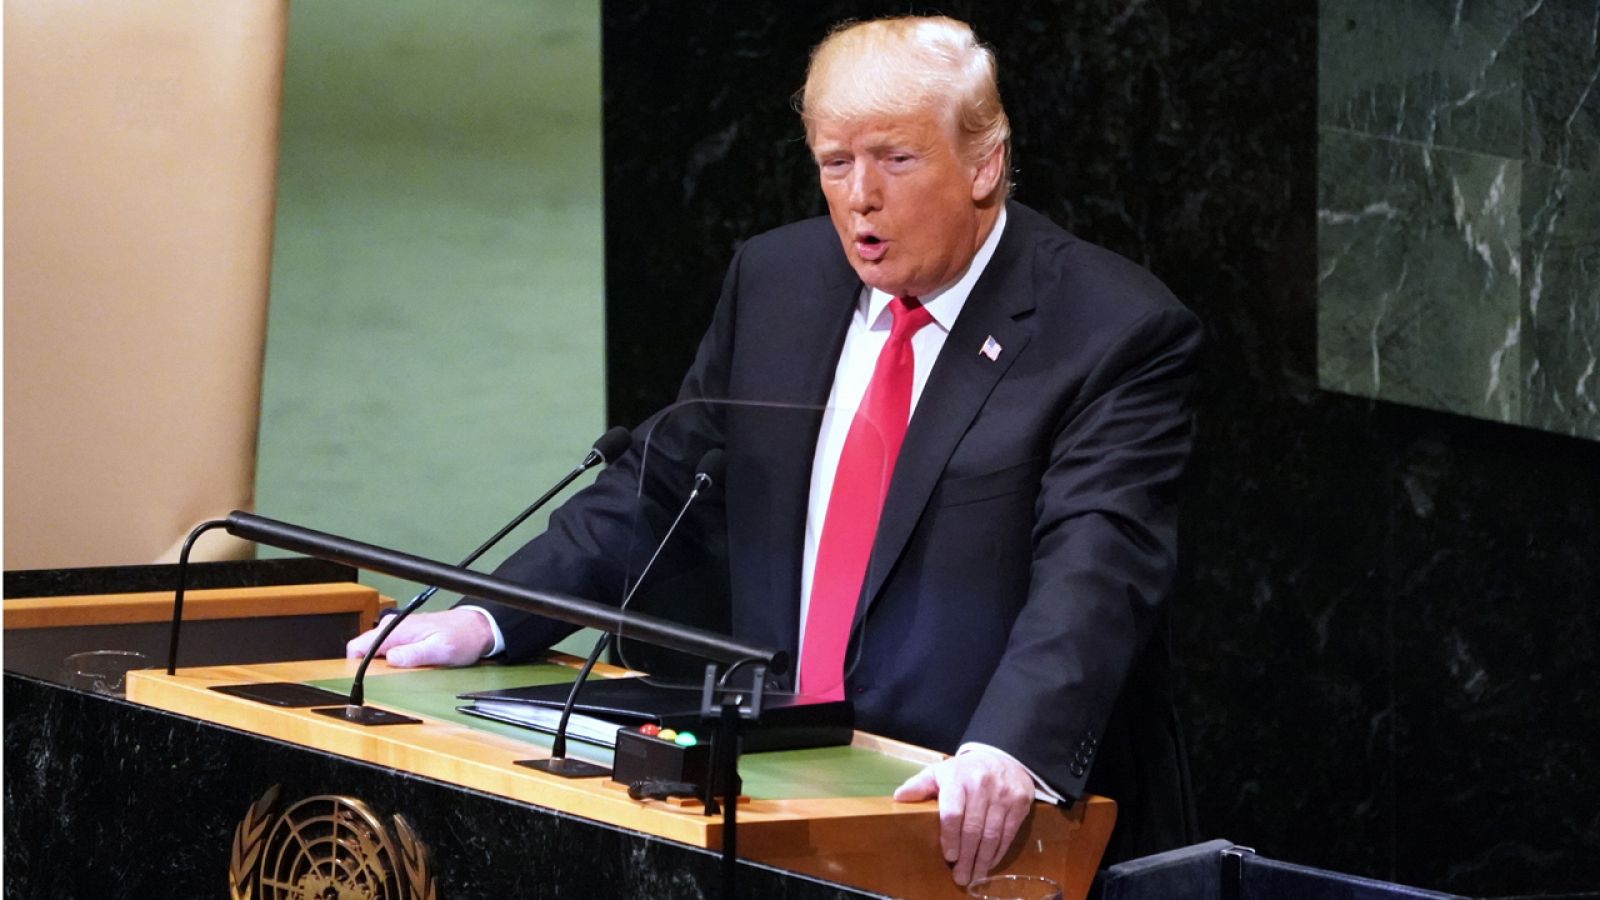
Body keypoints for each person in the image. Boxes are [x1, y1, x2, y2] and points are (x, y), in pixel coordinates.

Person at [348, 15, 1201, 886]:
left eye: (895, 160)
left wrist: (1009, 748)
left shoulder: (1108, 330)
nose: (859, 196)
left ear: (984, 162)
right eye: (835, 163)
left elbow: (1095, 573)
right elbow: (661, 484)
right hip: (775, 795)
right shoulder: (778, 282)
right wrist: (487, 615)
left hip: (969, 813)